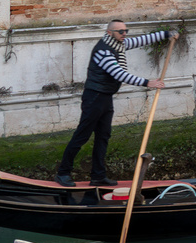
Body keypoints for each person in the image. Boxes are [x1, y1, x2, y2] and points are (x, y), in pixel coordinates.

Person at [56, 20, 177, 187]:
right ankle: (63, 173)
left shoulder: (119, 43)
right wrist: (148, 82)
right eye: (120, 31)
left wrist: (167, 34)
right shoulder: (103, 51)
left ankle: (98, 176)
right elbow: (118, 74)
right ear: (109, 33)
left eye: (125, 30)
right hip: (94, 98)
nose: (124, 33)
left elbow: (143, 39)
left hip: (105, 97)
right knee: (82, 136)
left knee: (103, 137)